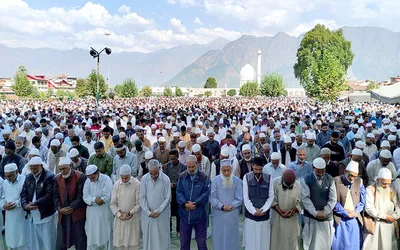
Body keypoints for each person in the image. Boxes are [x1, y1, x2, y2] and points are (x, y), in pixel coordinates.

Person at [21, 156, 56, 250]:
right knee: (35, 244)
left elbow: (49, 195)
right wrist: (25, 205)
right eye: (31, 168)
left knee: (49, 243)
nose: (33, 170)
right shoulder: (28, 177)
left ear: (41, 166)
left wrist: (35, 203)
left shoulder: (49, 177)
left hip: (45, 214)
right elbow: (23, 193)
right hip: (32, 214)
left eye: (35, 168)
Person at [301, 157, 337, 250]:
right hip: (311, 218)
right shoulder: (306, 179)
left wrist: (325, 212)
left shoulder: (330, 179)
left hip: (326, 218)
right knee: (311, 244)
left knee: (325, 244)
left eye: (322, 171)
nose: (320, 174)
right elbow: (305, 199)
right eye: (318, 171)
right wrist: (315, 213)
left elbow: (333, 199)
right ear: (313, 168)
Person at [177, 155, 210, 250]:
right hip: (184, 215)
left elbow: (205, 194)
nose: (191, 169)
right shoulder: (182, 176)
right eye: (189, 167)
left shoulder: (204, 177)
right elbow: (179, 192)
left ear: (197, 164)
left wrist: (194, 204)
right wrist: (185, 204)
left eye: (193, 167)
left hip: (199, 215)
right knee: (184, 244)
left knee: (201, 243)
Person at [54, 157, 87, 250]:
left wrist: (71, 208)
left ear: (71, 166)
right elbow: (55, 196)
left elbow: (81, 196)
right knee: (61, 242)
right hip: (63, 214)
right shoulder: (57, 178)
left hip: (77, 214)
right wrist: (60, 209)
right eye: (60, 169)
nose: (62, 171)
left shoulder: (80, 176)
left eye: (64, 168)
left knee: (80, 241)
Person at [363, 168, 400, 250]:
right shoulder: (370, 189)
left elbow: (397, 207)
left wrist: (394, 216)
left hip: (389, 227)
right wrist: (385, 216)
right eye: (384, 183)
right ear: (378, 180)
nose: (386, 186)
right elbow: (369, 208)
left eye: (388, 184)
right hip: (376, 226)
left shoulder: (392, 191)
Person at [210, 158, 243, 250]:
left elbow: (240, 198)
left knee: (231, 237)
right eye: (224, 170)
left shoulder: (237, 181)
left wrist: (230, 206)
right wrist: (222, 206)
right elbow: (212, 197)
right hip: (218, 214)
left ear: (231, 170)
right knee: (218, 237)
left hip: (232, 214)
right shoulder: (215, 181)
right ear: (221, 170)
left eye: (228, 170)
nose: (227, 173)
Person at [332, 161, 366, 250]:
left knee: (353, 245)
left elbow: (362, 202)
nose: (352, 178)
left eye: (355, 176)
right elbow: (333, 201)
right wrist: (345, 212)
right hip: (340, 219)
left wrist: (355, 212)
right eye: (350, 175)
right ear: (345, 171)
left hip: (354, 218)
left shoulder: (359, 182)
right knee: (339, 244)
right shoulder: (336, 180)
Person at [242, 156, 274, 250]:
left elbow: (271, 196)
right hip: (250, 217)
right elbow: (246, 198)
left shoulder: (269, 178)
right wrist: (253, 211)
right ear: (252, 166)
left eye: (260, 169)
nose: (257, 172)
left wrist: (263, 210)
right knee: (251, 243)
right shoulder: (246, 177)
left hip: (264, 216)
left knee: (264, 243)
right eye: (256, 169)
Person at [140, 159, 171, 250]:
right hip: (148, 215)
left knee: (163, 238)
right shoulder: (144, 179)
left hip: (162, 215)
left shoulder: (165, 179)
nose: (153, 176)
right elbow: (142, 198)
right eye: (151, 174)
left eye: (156, 173)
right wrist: (149, 212)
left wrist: (158, 211)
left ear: (159, 168)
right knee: (148, 238)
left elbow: (168, 198)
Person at [110, 165, 141, 250]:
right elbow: (112, 203)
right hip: (120, 219)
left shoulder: (137, 184)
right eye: (122, 178)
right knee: (121, 245)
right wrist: (119, 215)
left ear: (130, 175)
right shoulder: (117, 184)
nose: (124, 180)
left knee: (133, 244)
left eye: (126, 178)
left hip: (133, 218)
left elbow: (139, 203)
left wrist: (130, 212)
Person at [83, 165, 114, 250]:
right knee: (92, 233)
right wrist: (94, 199)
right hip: (92, 214)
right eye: (90, 178)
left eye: (93, 177)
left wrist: (96, 200)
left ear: (97, 173)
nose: (91, 180)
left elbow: (107, 196)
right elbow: (85, 196)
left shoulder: (106, 179)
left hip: (104, 212)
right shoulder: (88, 181)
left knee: (106, 232)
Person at [270, 169, 302, 250]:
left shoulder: (298, 186)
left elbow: (301, 203)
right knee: (276, 242)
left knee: (291, 242)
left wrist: (293, 211)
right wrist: (280, 211)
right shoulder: (275, 182)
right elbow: (271, 199)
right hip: (277, 218)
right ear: (283, 179)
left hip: (292, 220)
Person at [0, 163, 29, 250]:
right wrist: (3, 205)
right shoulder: (5, 182)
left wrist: (16, 204)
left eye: (11, 176)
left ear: (16, 172)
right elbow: (3, 197)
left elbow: (28, 197)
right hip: (9, 216)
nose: (8, 178)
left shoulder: (24, 180)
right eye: (6, 176)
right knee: (11, 240)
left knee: (23, 240)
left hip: (21, 215)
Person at [163, 149, 186, 237]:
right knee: (168, 211)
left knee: (179, 212)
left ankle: (179, 230)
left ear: (177, 157)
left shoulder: (183, 167)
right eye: (171, 159)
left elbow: (183, 180)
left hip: (179, 192)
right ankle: (169, 230)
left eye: (174, 159)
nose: (172, 161)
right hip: (168, 193)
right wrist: (168, 184)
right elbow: (164, 178)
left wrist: (174, 185)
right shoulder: (167, 166)